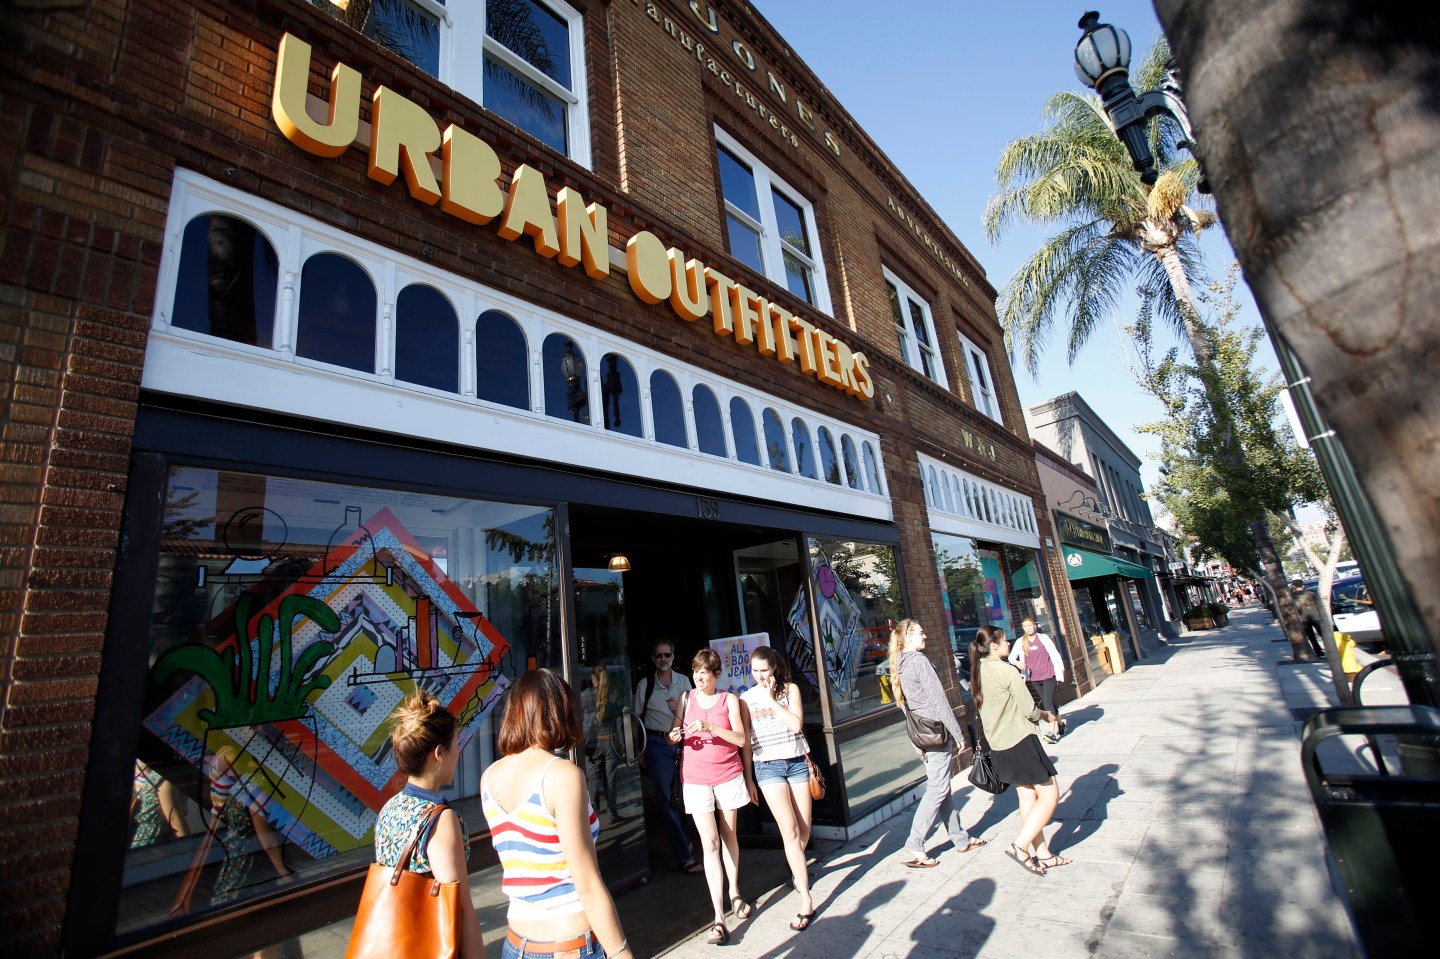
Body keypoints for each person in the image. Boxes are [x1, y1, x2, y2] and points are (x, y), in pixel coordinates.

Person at [482, 670, 631, 959]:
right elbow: (587, 883)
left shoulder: (488, 777)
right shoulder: (562, 776)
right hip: (569, 943)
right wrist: (620, 952)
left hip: (515, 943)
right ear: (557, 711)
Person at [372, 691, 485, 958]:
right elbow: (460, 908)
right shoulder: (440, 820)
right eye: (456, 744)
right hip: (431, 946)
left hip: (398, 944)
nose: (458, 752)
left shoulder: (390, 808)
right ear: (438, 753)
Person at [671, 648, 756, 946]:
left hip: (727, 775)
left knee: (729, 835)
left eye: (704, 672)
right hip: (695, 778)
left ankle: (734, 891)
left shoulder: (728, 700)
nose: (698, 676)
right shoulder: (686, 699)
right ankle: (718, 917)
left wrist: (710, 726)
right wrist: (675, 734)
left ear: (716, 675)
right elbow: (676, 727)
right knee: (709, 843)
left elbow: (741, 739)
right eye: (696, 671)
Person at [970, 626, 1068, 876]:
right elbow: (1029, 709)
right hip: (1020, 739)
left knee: (1027, 797)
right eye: (1003, 640)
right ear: (993, 645)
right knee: (1049, 795)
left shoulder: (978, 670)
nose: (1007, 643)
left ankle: (1043, 853)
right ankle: (1020, 847)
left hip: (1000, 744)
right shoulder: (1006, 670)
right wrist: (1047, 715)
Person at [888, 618, 986, 868]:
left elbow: (906, 705)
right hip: (935, 731)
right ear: (908, 637)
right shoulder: (918, 661)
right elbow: (939, 701)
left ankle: (960, 838)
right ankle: (915, 842)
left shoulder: (898, 663)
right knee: (938, 788)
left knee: (942, 787)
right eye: (921, 633)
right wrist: (958, 732)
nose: (926, 636)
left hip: (921, 733)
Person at [740, 646, 815, 932]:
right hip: (767, 766)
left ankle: (797, 869)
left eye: (765, 670)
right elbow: (746, 742)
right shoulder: (745, 699)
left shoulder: (790, 690)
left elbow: (796, 724)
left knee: (804, 828)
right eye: (755, 670)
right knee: (790, 830)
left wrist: (772, 701)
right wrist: (749, 778)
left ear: (775, 668)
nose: (760, 675)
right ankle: (805, 897)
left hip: (796, 762)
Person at [633, 640, 701, 874]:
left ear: (673, 657)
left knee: (689, 795)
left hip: (683, 742)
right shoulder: (646, 684)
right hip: (656, 744)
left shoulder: (683, 681)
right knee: (665, 799)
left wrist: (678, 711)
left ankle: (682, 837)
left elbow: (697, 711)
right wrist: (640, 750)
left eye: (667, 655)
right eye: (658, 655)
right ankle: (684, 855)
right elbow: (636, 719)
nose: (663, 659)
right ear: (653, 659)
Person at [1008, 616, 1066, 743]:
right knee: (1048, 701)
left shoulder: (1043, 638)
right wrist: (1018, 663)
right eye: (1025, 626)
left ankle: (1052, 731)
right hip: (1034, 677)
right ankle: (1061, 724)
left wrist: (1060, 668)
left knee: (1047, 703)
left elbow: (1054, 653)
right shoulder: (1020, 642)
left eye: (1030, 625)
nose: (1028, 628)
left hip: (1049, 674)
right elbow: (1011, 657)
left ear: (1034, 625)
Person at [1290, 578, 1327, 658]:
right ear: (1303, 585)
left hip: (1303, 619)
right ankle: (1328, 648)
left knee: (1311, 637)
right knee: (1323, 634)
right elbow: (1319, 605)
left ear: (1293, 587)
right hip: (1315, 616)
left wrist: (1290, 589)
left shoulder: (1292, 596)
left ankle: (1318, 651)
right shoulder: (1311, 594)